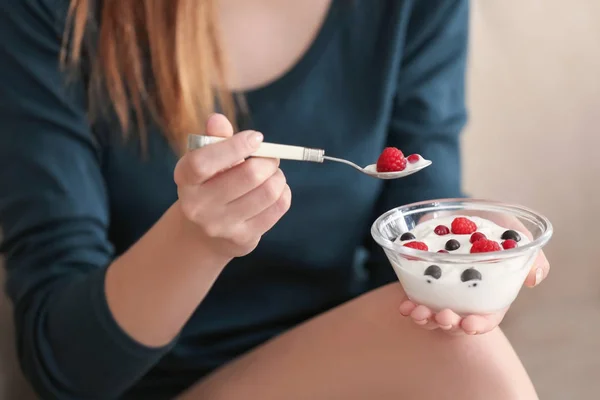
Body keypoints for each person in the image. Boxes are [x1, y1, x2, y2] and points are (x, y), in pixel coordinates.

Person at [0, 0, 549, 398]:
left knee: (460, 343)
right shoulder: (57, 14)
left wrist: (467, 263)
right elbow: (66, 369)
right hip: (151, 383)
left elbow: (417, 213)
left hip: (341, 362)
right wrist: (196, 240)